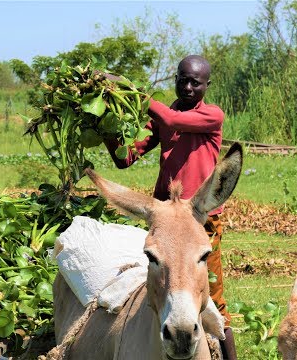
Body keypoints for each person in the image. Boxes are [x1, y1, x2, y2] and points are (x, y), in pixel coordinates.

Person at [103, 54, 237, 360]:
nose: (188, 87)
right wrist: (105, 123)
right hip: (164, 218)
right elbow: (125, 158)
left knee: (213, 298)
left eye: (195, 82)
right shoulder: (165, 117)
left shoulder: (211, 116)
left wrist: (129, 89)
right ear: (174, 79)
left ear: (207, 85)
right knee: (161, 288)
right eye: (182, 80)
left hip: (199, 219)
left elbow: (173, 121)